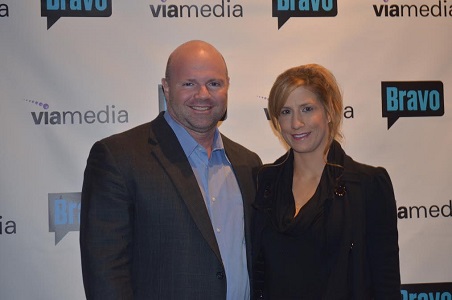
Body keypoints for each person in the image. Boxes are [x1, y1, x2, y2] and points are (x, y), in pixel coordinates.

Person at [79, 40, 262, 299]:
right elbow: (106, 273)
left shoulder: (248, 163)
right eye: (189, 83)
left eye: (214, 83)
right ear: (166, 88)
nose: (203, 94)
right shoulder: (119, 158)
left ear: (227, 87)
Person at [252, 64, 401, 299]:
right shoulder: (264, 181)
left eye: (307, 109)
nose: (296, 123)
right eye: (285, 111)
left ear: (330, 111)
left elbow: (386, 285)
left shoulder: (367, 185)